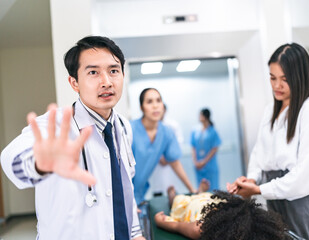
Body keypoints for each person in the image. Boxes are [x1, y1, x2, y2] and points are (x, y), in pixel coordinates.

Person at [0, 36, 145, 240]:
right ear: (74, 82)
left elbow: (123, 188)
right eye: (93, 72)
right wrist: (39, 164)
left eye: (113, 70)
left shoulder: (123, 127)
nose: (106, 81)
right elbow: (10, 158)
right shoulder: (56, 125)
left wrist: (135, 233)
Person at [227, 43, 309, 240]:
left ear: (300, 77)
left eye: (285, 79)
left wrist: (259, 189)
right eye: (272, 77)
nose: (277, 86)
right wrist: (252, 179)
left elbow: (305, 176)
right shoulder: (271, 111)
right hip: (276, 200)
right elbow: (260, 154)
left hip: (303, 202)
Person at [131, 88, 196, 204]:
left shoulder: (166, 133)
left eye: (158, 101)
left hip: (139, 194)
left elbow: (175, 163)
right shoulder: (129, 129)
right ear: (141, 107)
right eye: (149, 102)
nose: (155, 106)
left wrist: (192, 191)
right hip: (121, 192)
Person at [155, 189, 291, 240]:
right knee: (177, 201)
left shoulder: (247, 222)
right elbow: (178, 226)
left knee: (197, 197)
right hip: (195, 206)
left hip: (210, 201)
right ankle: (173, 195)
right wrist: (163, 223)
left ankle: (198, 192)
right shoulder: (202, 228)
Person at [150, 104, 185, 197]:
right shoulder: (150, 126)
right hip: (157, 164)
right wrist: (159, 157)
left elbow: (179, 143)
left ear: (164, 110)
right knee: (158, 190)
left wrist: (168, 157)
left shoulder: (172, 125)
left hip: (170, 164)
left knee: (172, 189)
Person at [191, 108, 221, 191]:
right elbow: (193, 147)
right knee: (201, 190)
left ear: (205, 116)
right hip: (199, 167)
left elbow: (214, 149)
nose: (199, 117)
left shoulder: (212, 131)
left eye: (200, 115)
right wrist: (195, 162)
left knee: (212, 190)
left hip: (209, 166)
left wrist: (204, 162)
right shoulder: (195, 131)